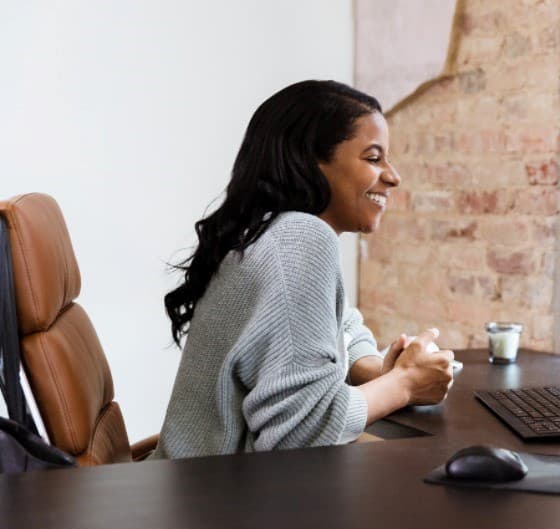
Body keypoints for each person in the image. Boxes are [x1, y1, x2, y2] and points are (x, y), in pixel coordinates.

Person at [152, 81, 455, 460]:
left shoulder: (269, 233)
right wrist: (405, 384)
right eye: (373, 158)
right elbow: (301, 436)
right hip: (217, 503)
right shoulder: (299, 239)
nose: (393, 176)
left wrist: (377, 370)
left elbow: (341, 325)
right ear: (311, 162)